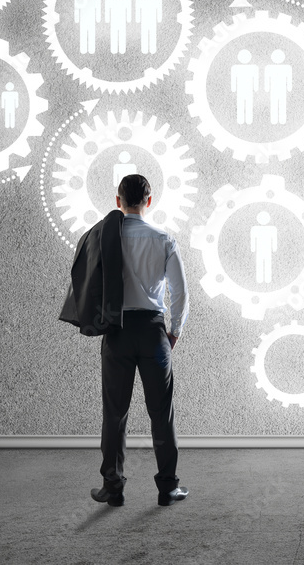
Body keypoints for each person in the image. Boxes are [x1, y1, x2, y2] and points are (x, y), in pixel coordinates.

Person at [59, 174, 189, 508]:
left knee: (114, 413)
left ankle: (112, 488)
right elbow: (181, 295)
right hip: (153, 331)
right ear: (149, 200)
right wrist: (172, 332)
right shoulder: (164, 239)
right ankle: (168, 488)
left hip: (117, 332)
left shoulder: (103, 237)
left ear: (118, 201)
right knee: (162, 413)